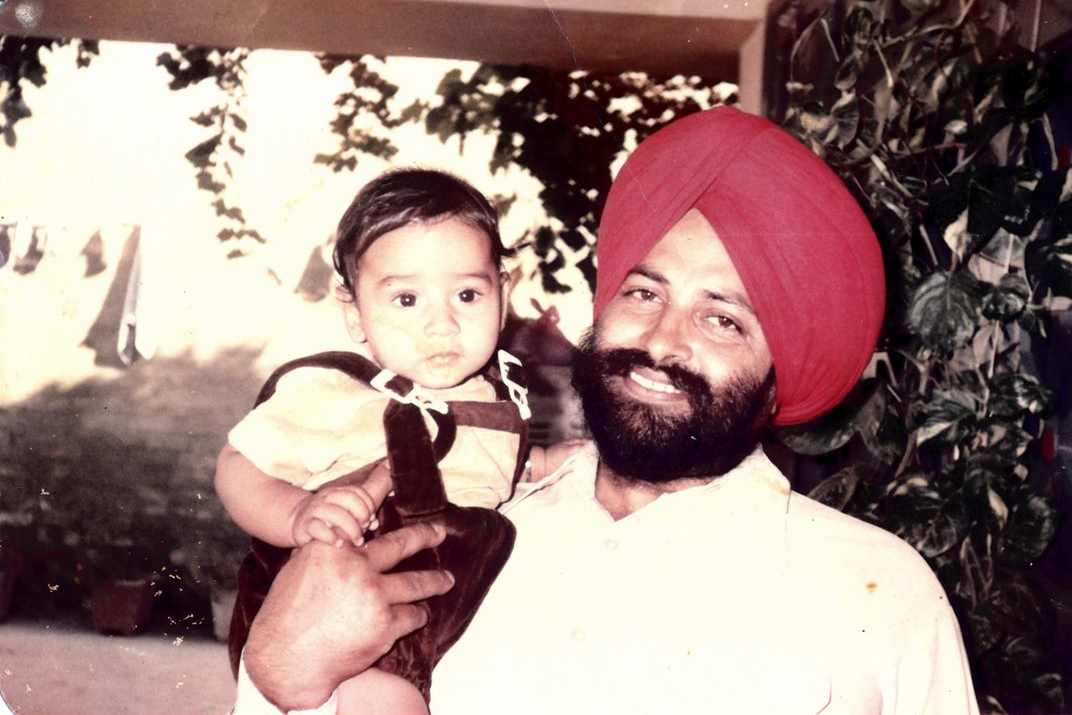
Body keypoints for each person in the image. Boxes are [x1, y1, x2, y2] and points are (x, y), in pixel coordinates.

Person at [233, 107, 981, 715]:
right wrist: (276, 677)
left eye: (722, 318)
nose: (660, 341)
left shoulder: (878, 590)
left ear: (779, 379)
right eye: (643, 292)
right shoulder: (477, 522)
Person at [216, 168, 542, 713]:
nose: (443, 324)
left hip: (442, 605)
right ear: (355, 312)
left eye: (466, 294)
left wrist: (547, 461)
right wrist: (298, 513)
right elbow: (238, 465)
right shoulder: (335, 390)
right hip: (339, 612)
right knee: (386, 699)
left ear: (502, 296)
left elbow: (497, 465)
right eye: (407, 300)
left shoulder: (497, 395)